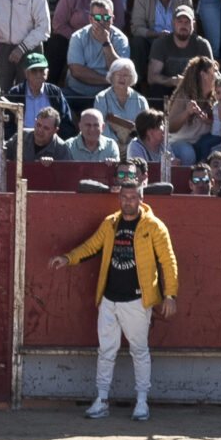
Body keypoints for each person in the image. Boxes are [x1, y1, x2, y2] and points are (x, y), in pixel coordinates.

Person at [51, 165, 178, 420]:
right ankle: (102, 399)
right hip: (110, 298)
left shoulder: (154, 226)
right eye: (124, 198)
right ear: (119, 198)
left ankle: (142, 402)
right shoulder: (110, 224)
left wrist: (170, 295)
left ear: (141, 199)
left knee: (139, 351)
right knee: (106, 351)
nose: (128, 202)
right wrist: (68, 258)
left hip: (137, 299)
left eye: (132, 198)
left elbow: (168, 260)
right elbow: (90, 247)